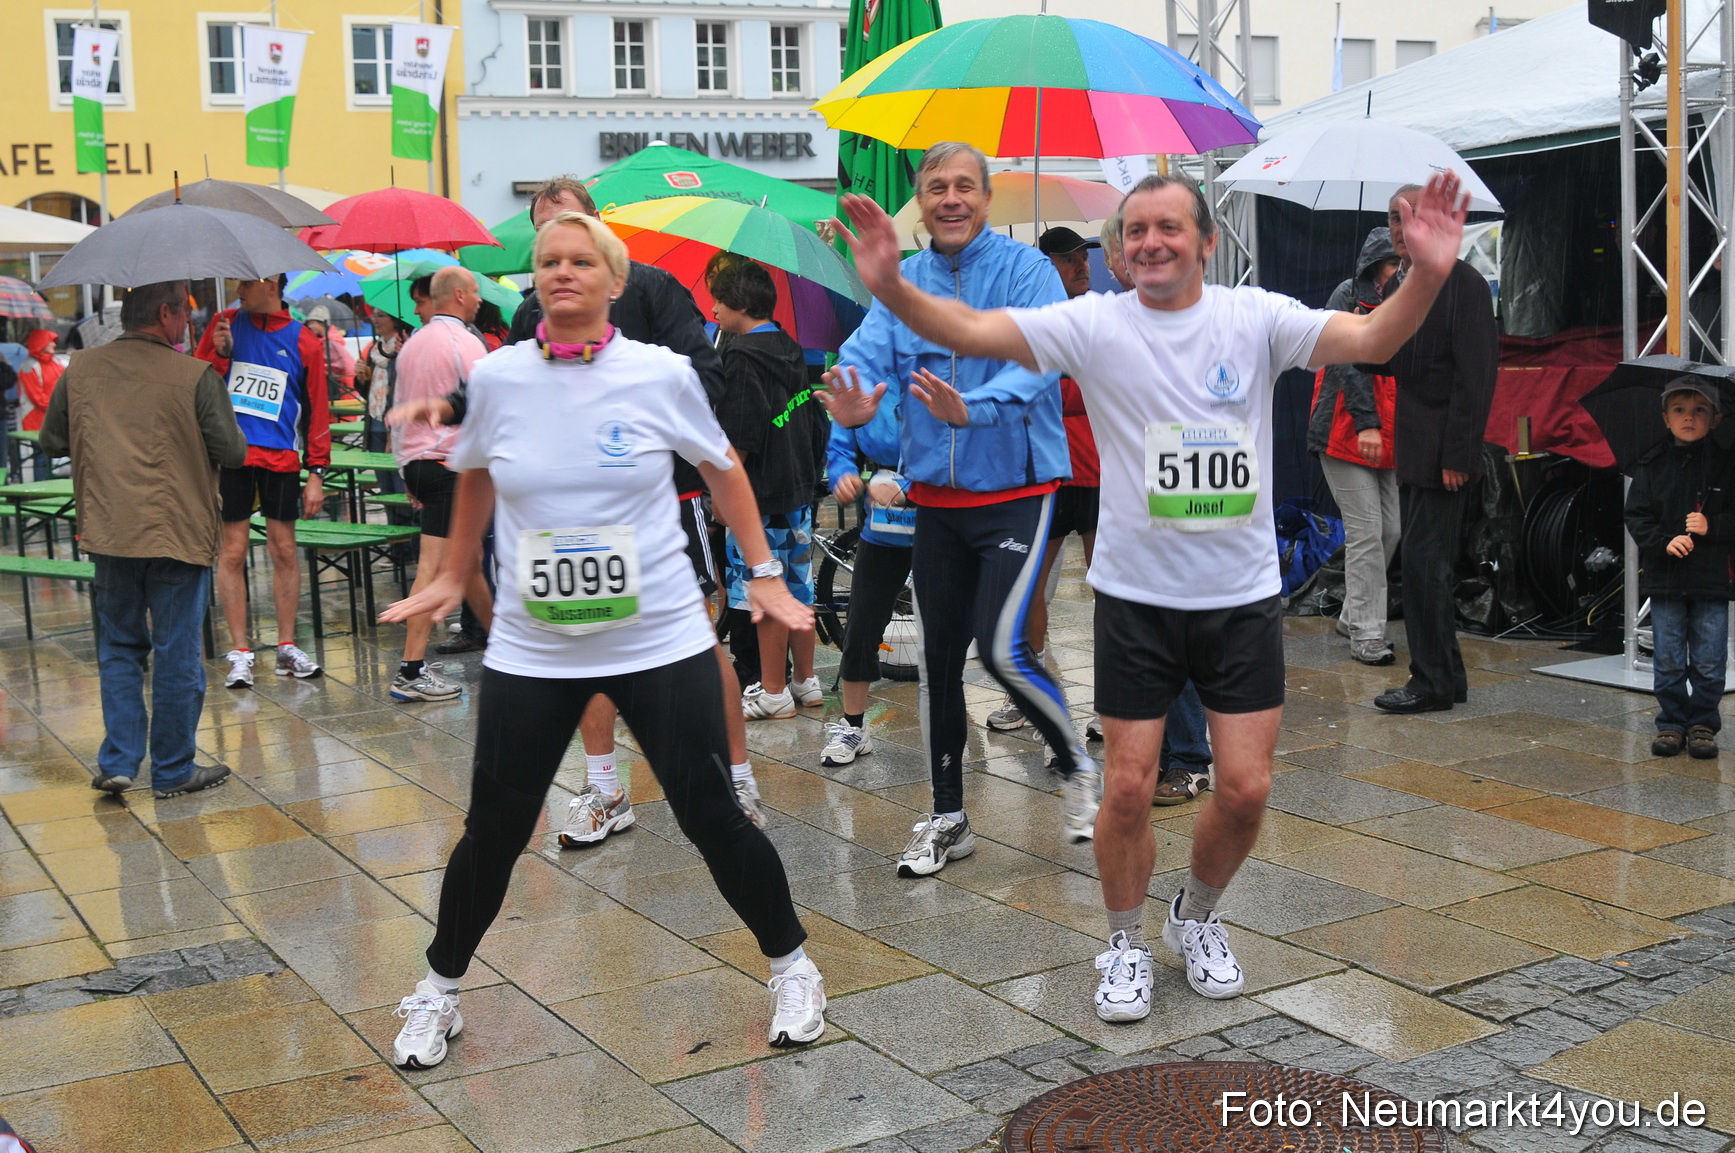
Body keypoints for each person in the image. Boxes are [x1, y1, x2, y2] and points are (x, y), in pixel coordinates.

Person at [822, 170, 1468, 1015]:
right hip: (1135, 598)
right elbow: (973, 327)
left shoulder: (1255, 317)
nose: (1150, 242)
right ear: (1118, 252)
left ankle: (1194, 916)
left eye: (1169, 227)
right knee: (1127, 787)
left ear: (1205, 241)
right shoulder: (1094, 324)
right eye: (1134, 232)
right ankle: (1122, 943)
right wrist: (891, 286)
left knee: (1244, 788)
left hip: (1237, 598)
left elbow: (1374, 338)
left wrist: (1426, 271)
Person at [378, 211, 827, 1066]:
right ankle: (437, 990)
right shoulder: (503, 375)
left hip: (657, 637)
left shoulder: (656, 372)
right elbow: (473, 473)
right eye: (548, 261)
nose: (562, 272)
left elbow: (722, 466)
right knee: (495, 827)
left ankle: (793, 965)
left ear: (615, 281)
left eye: (581, 260)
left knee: (711, 813)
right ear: (532, 280)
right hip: (536, 647)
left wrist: (763, 570)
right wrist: (450, 571)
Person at [819, 142, 1100, 879]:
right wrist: (847, 405)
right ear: (921, 198)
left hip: (1018, 488)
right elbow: (861, 359)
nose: (950, 198)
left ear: (985, 197)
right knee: (938, 662)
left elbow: (1040, 364)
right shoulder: (903, 281)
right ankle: (947, 816)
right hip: (934, 500)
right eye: (936, 186)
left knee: (1002, 646)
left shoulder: (1027, 271)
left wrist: (972, 409)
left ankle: (1074, 763)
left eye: (964, 186)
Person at [40, 281, 246, 798]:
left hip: (109, 528)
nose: (188, 324)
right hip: (176, 530)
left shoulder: (80, 368)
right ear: (164, 313)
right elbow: (233, 450)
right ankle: (174, 770)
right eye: (184, 313)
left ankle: (119, 762)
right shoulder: (194, 374)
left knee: (119, 647)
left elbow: (53, 439)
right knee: (177, 651)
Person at [1370, 184, 1499, 714]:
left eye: (1412, 219)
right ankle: (1445, 678)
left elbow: (1477, 377)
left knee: (1426, 567)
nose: (1402, 231)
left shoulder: (1463, 284)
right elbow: (1386, 359)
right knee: (1422, 567)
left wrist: (1458, 456)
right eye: (1395, 221)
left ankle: (1431, 681)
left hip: (1444, 451)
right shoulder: (1400, 285)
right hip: (1413, 446)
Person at [986, 227, 1099, 741]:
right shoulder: (1029, 322)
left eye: (1083, 257)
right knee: (1031, 586)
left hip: (1099, 473)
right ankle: (1026, 692)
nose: (1081, 266)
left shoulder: (1096, 316)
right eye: (1069, 259)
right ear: (1045, 266)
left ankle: (1112, 697)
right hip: (1047, 473)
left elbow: (1093, 389)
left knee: (1110, 588)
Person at [196, 274, 330, 686]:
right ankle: (240, 652)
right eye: (234, 283)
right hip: (233, 457)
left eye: (245, 283)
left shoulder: (305, 340)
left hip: (282, 459)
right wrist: (219, 357)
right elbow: (195, 386)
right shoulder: (222, 325)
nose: (237, 289)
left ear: (270, 284)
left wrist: (317, 472)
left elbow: (317, 409)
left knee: (284, 550)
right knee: (232, 553)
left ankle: (287, 646)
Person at [710, 260, 826, 720]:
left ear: (738, 304)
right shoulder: (792, 349)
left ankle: (773, 691)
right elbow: (805, 417)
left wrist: (722, 498)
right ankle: (806, 681)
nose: (713, 307)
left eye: (718, 298)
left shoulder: (740, 360)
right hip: (797, 488)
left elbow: (739, 438)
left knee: (762, 588)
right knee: (798, 585)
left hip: (756, 496)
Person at [390, 267, 495, 702]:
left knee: (466, 566)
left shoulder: (411, 345)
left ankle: (504, 647)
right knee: (435, 568)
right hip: (449, 464)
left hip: (419, 462)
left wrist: (405, 470)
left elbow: (398, 412)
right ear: (457, 295)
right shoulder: (467, 342)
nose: (478, 300)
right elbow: (489, 401)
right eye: (473, 293)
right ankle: (411, 670)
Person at [1625, 381, 1735, 759]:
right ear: (1665, 419)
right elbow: (1636, 515)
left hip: (1711, 581)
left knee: (1709, 659)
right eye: (1679, 409)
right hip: (1666, 579)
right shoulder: (1652, 464)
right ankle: (1671, 723)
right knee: (1668, 657)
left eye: (1700, 409)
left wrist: (1713, 526)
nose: (1689, 416)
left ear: (1716, 419)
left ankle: (1703, 723)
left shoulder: (1726, 463)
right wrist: (1663, 541)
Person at [1311, 228, 1402, 667]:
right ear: (1376, 264)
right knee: (1367, 532)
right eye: (1394, 262)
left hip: (1385, 435)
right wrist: (1368, 423)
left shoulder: (1402, 300)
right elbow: (1345, 362)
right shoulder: (1346, 296)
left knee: (1391, 530)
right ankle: (1367, 633)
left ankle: (1353, 616)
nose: (1400, 269)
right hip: (1343, 432)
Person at [818, 397, 912, 768]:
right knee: (860, 627)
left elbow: (963, 452)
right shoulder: (867, 372)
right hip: (883, 529)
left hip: (941, 520)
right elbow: (843, 441)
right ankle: (854, 726)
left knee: (952, 628)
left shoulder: (945, 366)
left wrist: (911, 488)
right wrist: (844, 473)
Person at [19, 329, 63, 480]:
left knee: (51, 458)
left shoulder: (55, 363)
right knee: (42, 458)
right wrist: (61, 406)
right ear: (41, 343)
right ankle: (42, 489)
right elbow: (38, 398)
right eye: (50, 340)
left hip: (54, 417)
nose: (53, 344)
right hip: (36, 421)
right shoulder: (29, 366)